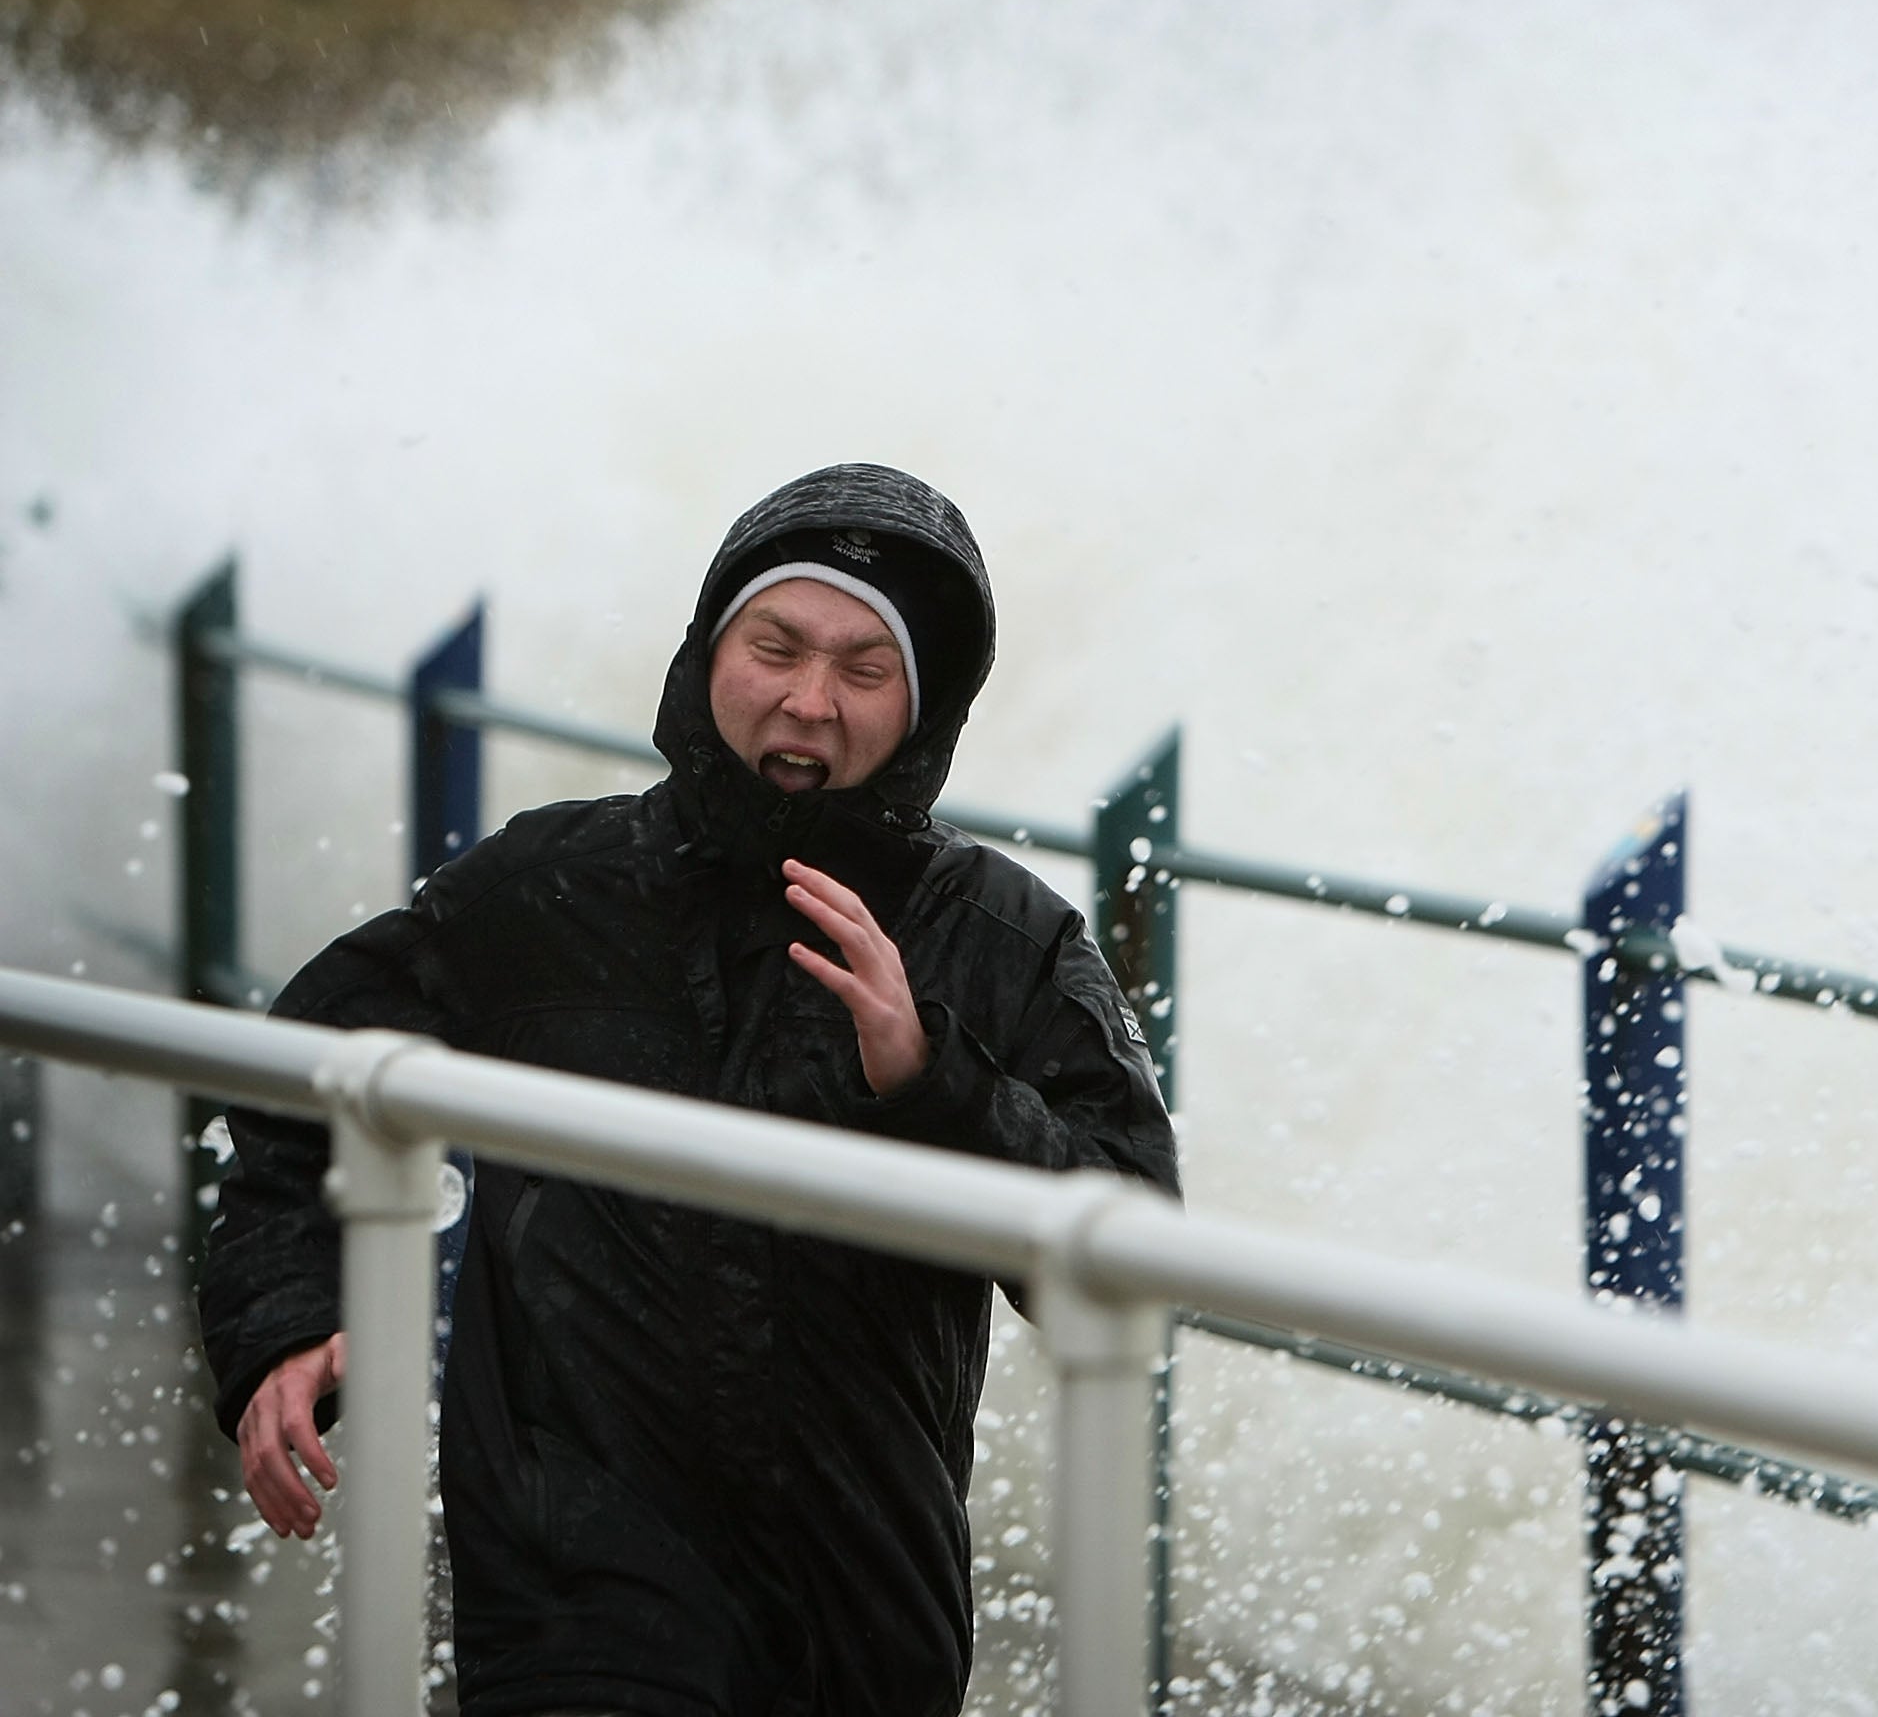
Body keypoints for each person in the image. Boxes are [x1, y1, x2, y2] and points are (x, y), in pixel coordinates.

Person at [197, 463, 1181, 1717]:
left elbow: (1132, 1249)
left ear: (924, 708)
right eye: (775, 643)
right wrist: (282, 1313)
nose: (809, 699)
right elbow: (303, 1078)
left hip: (863, 1616)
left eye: (866, 669)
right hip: (571, 1585)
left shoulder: (999, 938)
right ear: (710, 646)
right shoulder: (548, 886)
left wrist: (932, 1075)